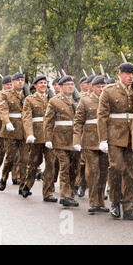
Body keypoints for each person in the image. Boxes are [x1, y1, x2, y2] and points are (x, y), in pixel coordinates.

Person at [97, 62, 133, 221]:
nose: (130, 77)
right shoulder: (109, 91)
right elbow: (102, 116)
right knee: (116, 168)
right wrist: (102, 139)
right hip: (115, 136)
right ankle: (115, 202)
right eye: (127, 73)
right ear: (120, 74)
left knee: (132, 172)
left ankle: (128, 206)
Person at [73, 75, 109, 214]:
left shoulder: (108, 100)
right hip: (90, 141)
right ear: (93, 87)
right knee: (93, 172)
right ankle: (93, 201)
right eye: (99, 87)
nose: (101, 89)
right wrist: (76, 140)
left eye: (103, 86)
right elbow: (78, 122)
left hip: (105, 141)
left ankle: (101, 200)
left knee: (104, 172)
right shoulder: (85, 99)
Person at [44, 75, 80, 207]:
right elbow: (48, 122)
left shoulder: (78, 100)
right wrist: (48, 139)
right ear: (61, 87)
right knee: (64, 166)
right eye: (67, 84)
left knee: (74, 168)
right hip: (60, 139)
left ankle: (70, 194)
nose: (70, 86)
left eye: (72, 84)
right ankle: (65, 195)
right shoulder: (54, 101)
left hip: (75, 139)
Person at [21, 75, 57, 202]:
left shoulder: (52, 99)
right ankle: (27, 184)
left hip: (50, 137)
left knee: (51, 165)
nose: (43, 85)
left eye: (45, 83)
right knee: (33, 163)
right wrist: (29, 134)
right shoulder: (29, 100)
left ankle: (47, 193)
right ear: (35, 85)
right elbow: (26, 118)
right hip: (36, 136)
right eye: (40, 83)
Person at [0, 72, 28, 193]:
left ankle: (22, 186)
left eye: (22, 80)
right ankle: (4, 177)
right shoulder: (5, 94)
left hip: (24, 130)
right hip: (10, 130)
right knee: (10, 158)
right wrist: (7, 121)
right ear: (13, 82)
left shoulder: (28, 95)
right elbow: (3, 109)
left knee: (25, 159)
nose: (20, 82)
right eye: (18, 80)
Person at [0, 75, 12, 183]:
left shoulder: (14, 95)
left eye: (11, 84)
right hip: (0, 127)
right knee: (0, 152)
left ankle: (16, 177)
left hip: (14, 127)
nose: (9, 86)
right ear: (3, 85)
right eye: (7, 85)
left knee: (13, 153)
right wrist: (5, 114)